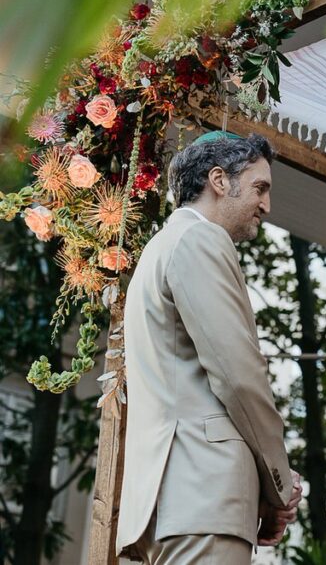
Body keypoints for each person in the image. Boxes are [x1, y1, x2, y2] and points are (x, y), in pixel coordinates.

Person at [117, 131, 303, 564]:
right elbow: (237, 375)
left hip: (164, 506)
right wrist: (280, 484)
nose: (266, 206)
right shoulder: (201, 240)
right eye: (260, 187)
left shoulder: (158, 250)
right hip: (202, 501)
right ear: (219, 180)